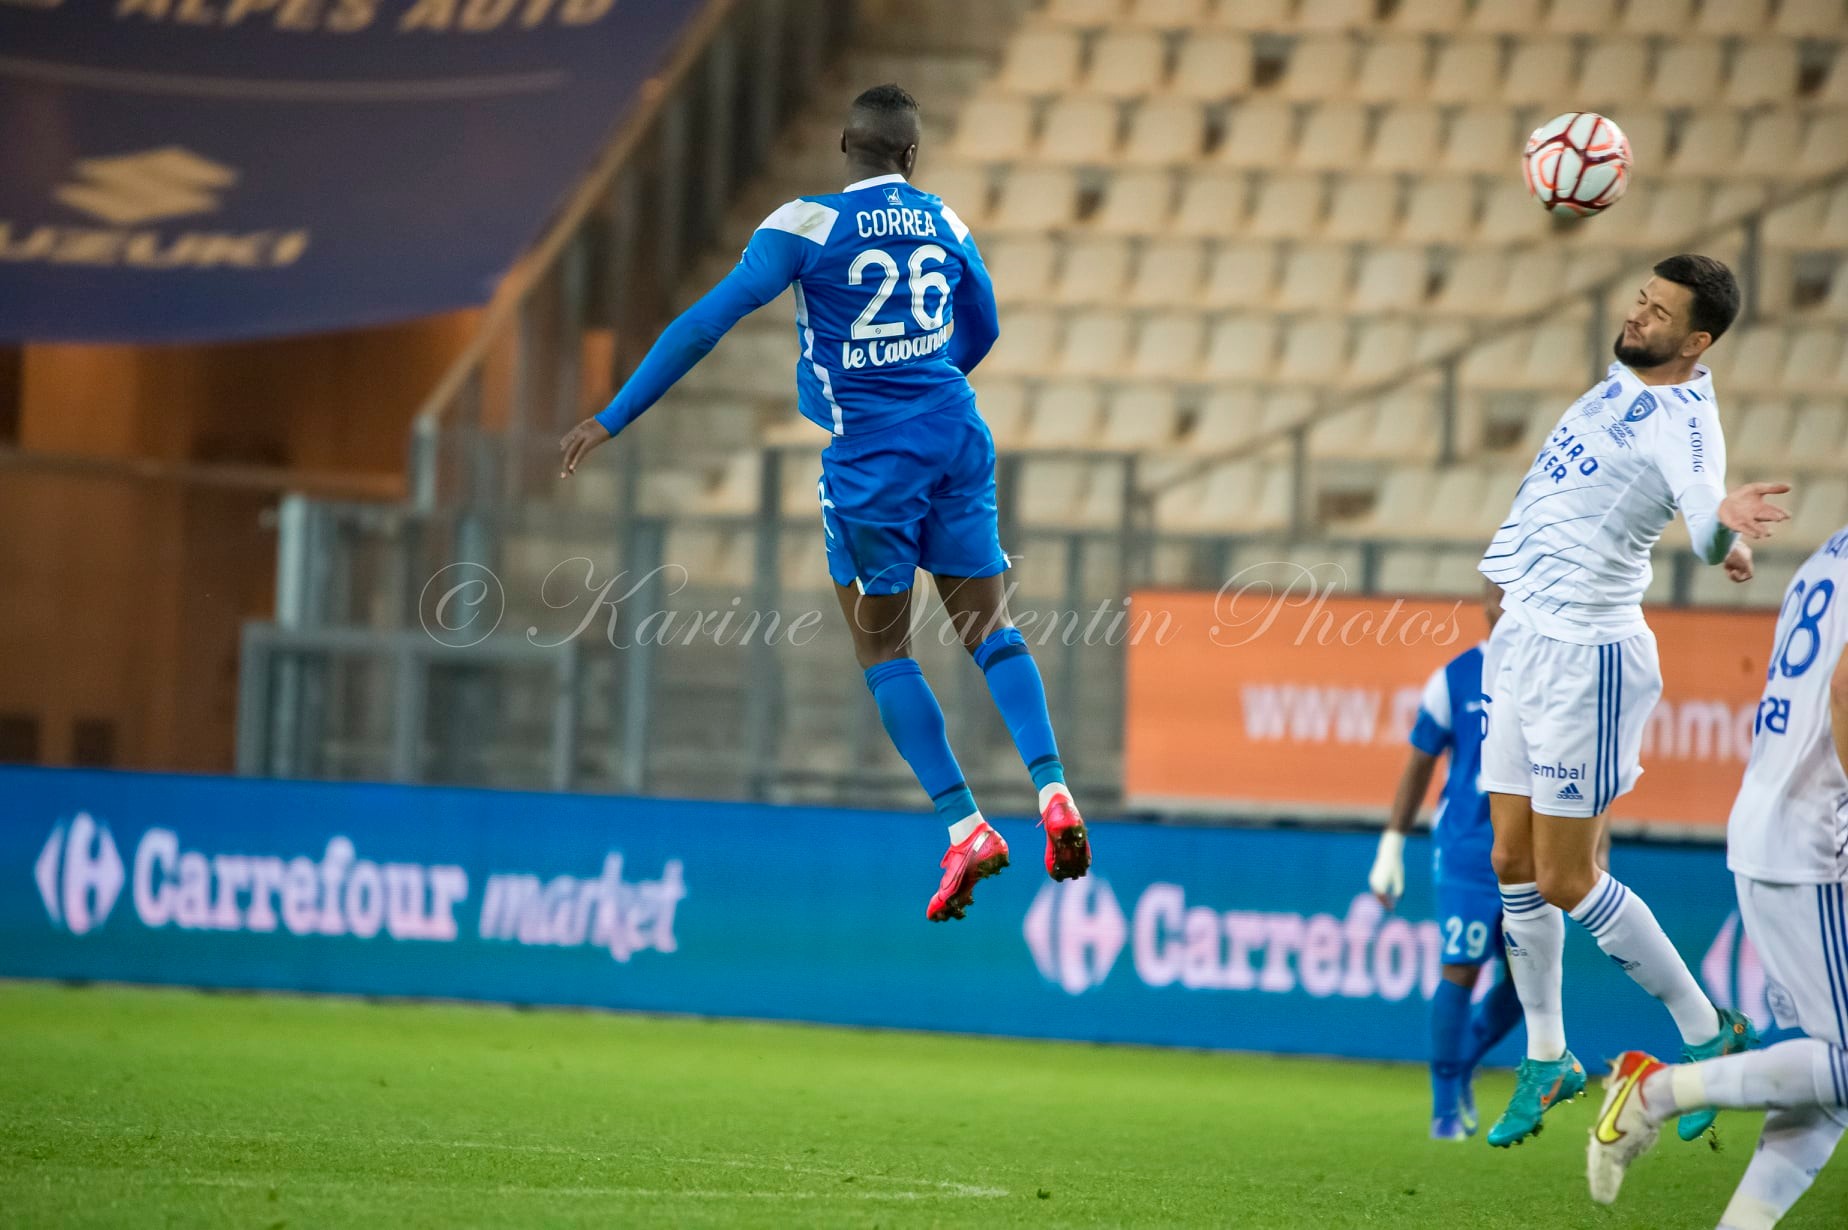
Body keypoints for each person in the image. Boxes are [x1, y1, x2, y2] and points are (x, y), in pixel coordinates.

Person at [557, 84, 1090, 921]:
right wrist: (928, 379)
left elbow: (705, 325)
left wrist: (615, 413)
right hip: (957, 433)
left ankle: (967, 827)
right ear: (911, 156)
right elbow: (982, 325)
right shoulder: (945, 220)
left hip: (872, 465)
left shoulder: (803, 224)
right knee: (992, 629)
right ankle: (1054, 788)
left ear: (846, 144)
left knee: (884, 652)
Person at [1475, 254, 1793, 1147]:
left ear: (1697, 342)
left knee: (1567, 877)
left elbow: (1698, 507)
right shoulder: (1621, 379)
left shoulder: (1688, 421)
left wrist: (1722, 529)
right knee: (1509, 862)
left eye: (1660, 314)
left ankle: (1708, 1035)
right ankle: (1549, 1058)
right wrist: (1720, 539)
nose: (1638, 316)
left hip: (1589, 658)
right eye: (1640, 301)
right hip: (1525, 642)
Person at [1587, 525, 1848, 1228]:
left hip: (1777, 823)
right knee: (1842, 1068)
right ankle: (1655, 1092)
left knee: (1822, 1085)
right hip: (1820, 837)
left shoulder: (1829, 556)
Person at [1370, 582, 1525, 1140]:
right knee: (1461, 966)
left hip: (1532, 847)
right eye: (1496, 592)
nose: (1505, 602)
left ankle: (1462, 1064)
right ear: (1484, 602)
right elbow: (1419, 764)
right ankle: (1443, 1112)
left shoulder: (1553, 674)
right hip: (1466, 847)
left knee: (1532, 979)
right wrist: (1392, 843)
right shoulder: (1455, 676)